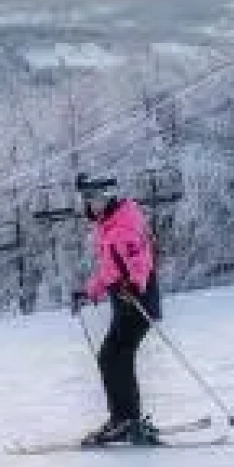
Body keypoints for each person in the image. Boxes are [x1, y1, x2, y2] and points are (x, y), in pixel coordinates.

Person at [70, 174, 162, 446]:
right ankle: (124, 418)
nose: (92, 206)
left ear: (108, 198)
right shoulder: (109, 226)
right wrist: (88, 292)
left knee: (113, 356)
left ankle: (124, 420)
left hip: (136, 301)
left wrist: (135, 285)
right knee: (115, 357)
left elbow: (141, 260)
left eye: (96, 200)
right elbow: (109, 272)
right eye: (88, 201)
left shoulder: (123, 226)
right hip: (126, 301)